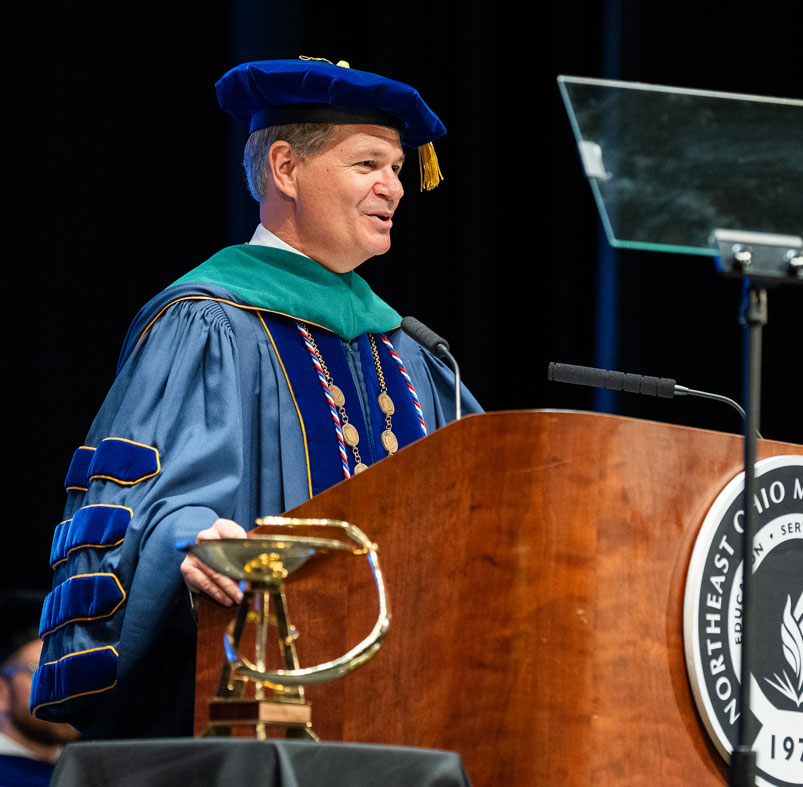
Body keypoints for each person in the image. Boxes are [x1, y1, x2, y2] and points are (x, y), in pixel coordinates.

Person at [30, 57, 480, 740]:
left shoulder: (412, 351)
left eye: (396, 167)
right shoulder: (208, 322)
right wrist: (187, 539)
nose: (394, 186)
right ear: (285, 168)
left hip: (404, 707)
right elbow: (138, 500)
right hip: (238, 707)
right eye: (368, 164)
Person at [1, 591, 78, 786]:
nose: (65, 689)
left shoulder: (98, 772)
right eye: (40, 671)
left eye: (73, 673)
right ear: (1, 692)